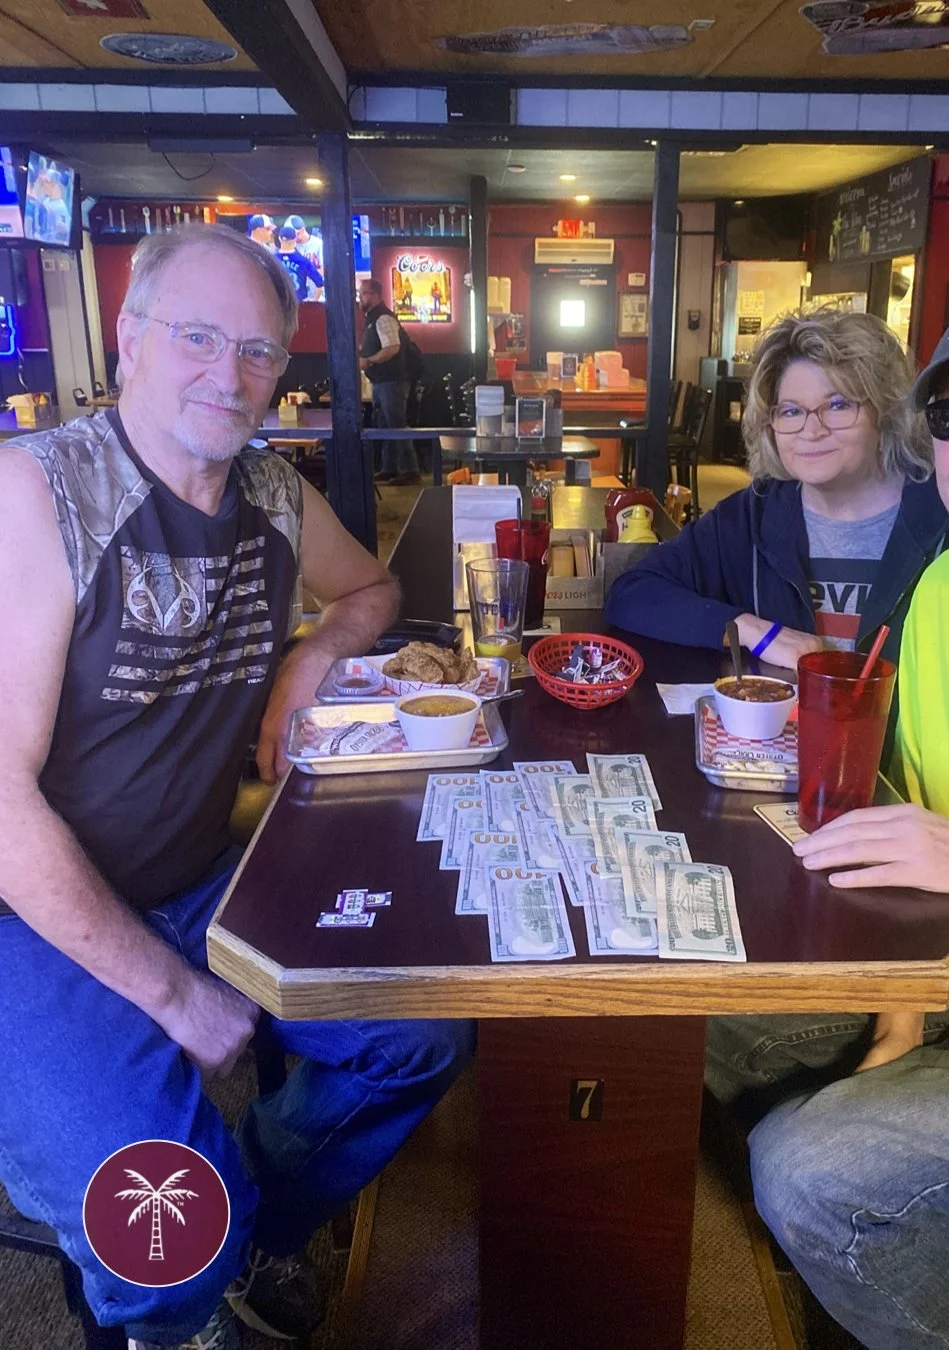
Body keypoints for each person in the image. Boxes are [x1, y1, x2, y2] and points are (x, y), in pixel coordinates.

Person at [0, 224, 471, 1350]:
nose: (231, 372)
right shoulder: (39, 493)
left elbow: (370, 591)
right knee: (162, 1232)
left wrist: (308, 658)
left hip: (201, 875)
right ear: (129, 339)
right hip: (28, 915)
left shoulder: (268, 489)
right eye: (198, 337)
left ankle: (252, 1224)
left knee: (420, 1035)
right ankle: (183, 1303)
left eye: (259, 350)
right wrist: (175, 997)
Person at [706, 288, 949, 1350]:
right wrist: (899, 1016)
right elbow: (920, 838)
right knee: (682, 1013)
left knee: (810, 1173)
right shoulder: (948, 589)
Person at [606, 308, 949, 671]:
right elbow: (631, 593)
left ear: (885, 411)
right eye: (791, 411)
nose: (812, 430)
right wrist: (754, 631)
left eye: (838, 405)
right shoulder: (750, 518)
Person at [359, 276, 420, 487]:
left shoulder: (383, 318)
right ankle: (390, 468)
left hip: (392, 380)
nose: (360, 298)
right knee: (385, 424)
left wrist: (369, 360)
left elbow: (392, 348)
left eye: (363, 293)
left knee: (396, 424)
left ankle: (410, 470)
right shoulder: (373, 318)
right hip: (384, 381)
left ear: (375, 295)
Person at [275, 224, 323, 302]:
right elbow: (319, 283)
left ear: (279, 239)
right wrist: (314, 301)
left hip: (279, 304)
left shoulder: (272, 259)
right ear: (295, 239)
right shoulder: (303, 261)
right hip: (300, 304)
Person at [283, 213, 324, 278]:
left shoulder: (318, 244)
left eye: (295, 234)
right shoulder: (291, 246)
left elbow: (324, 270)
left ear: (302, 230)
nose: (292, 237)